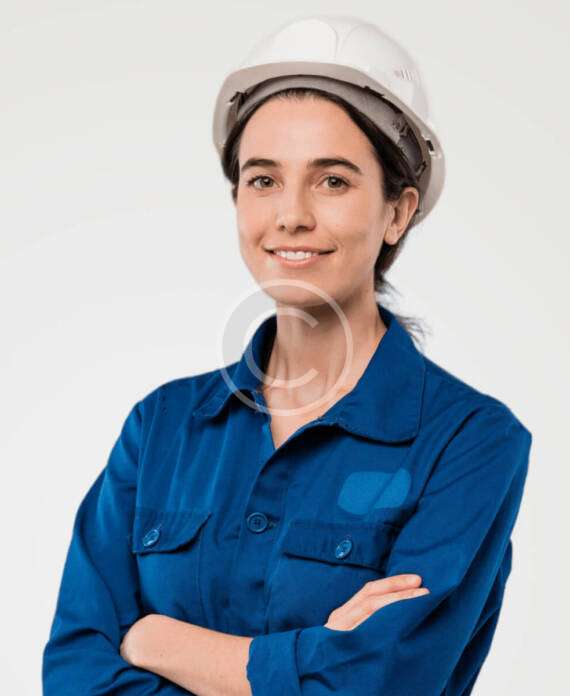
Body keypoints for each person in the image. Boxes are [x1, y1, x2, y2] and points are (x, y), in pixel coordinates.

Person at [42, 14, 532, 696]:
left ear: (397, 211)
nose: (291, 215)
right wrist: (315, 657)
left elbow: (383, 684)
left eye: (333, 181)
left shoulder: (470, 443)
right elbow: (74, 672)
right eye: (264, 180)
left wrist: (157, 640)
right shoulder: (160, 429)